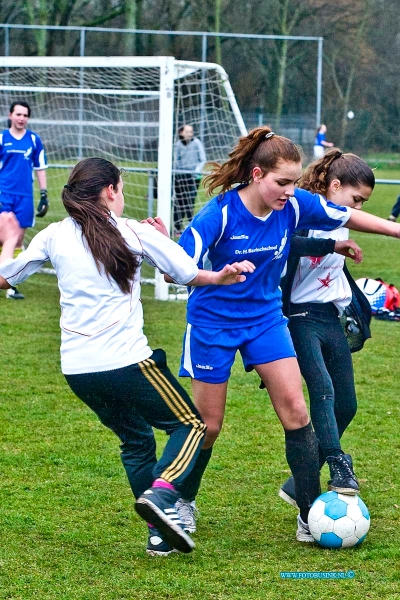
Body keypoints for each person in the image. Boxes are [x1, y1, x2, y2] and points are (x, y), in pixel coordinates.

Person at [0, 157, 255, 557]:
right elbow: (187, 273)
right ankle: (165, 493)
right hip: (127, 362)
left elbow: (6, 277)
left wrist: (10, 241)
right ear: (111, 192)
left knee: (136, 441)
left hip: (78, 371)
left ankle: (158, 533)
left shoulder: (52, 235)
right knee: (191, 425)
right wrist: (221, 276)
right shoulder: (134, 232)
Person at [157, 126, 400, 545]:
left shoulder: (293, 206)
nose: (291, 191)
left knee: (297, 411)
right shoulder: (219, 214)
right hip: (213, 324)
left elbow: (347, 216)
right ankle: (180, 500)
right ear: (256, 175)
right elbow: (174, 270)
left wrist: (397, 231)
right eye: (282, 182)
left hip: (266, 318)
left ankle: (310, 514)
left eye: (294, 182)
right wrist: (220, 276)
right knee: (208, 426)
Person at [278, 149, 375, 510]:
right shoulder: (304, 213)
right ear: (334, 186)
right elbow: (289, 245)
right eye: (356, 199)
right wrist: (334, 243)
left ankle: (296, 482)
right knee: (322, 389)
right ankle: (337, 464)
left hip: (329, 319)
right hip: (300, 318)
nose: (359, 208)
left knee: (346, 405)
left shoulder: (344, 219)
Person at [0, 100, 49, 300]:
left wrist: (44, 193)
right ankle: (7, 283)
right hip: (4, 194)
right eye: (18, 114)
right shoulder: (2, 138)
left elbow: (40, 167)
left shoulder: (34, 140)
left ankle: (10, 284)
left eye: (25, 115)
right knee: (6, 236)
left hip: (25, 197)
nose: (21, 118)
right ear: (10, 115)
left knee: (18, 239)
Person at [173, 124, 206, 236]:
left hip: (193, 177)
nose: (189, 134)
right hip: (181, 175)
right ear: (182, 132)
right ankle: (177, 227)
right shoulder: (177, 145)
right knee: (179, 201)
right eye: (187, 132)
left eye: (191, 132)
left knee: (190, 201)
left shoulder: (196, 143)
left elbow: (202, 159)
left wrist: (196, 171)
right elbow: (176, 160)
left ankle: (190, 224)